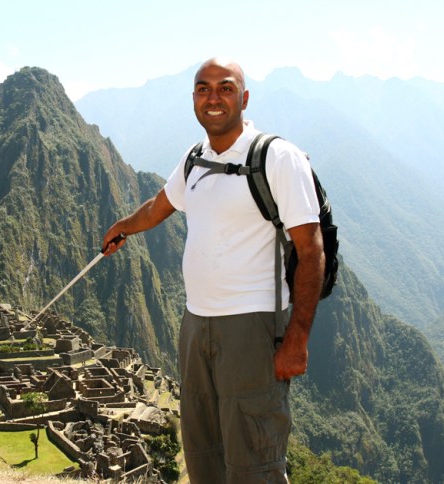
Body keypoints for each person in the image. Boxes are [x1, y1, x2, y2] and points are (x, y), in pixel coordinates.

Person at [102, 57, 325, 483]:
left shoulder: (277, 157)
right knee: (203, 449)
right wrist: (124, 228)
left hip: (252, 326)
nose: (214, 97)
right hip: (196, 323)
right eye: (204, 89)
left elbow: (311, 250)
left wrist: (297, 338)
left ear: (244, 97)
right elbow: (160, 206)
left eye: (225, 88)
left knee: (254, 456)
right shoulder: (196, 158)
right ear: (193, 100)